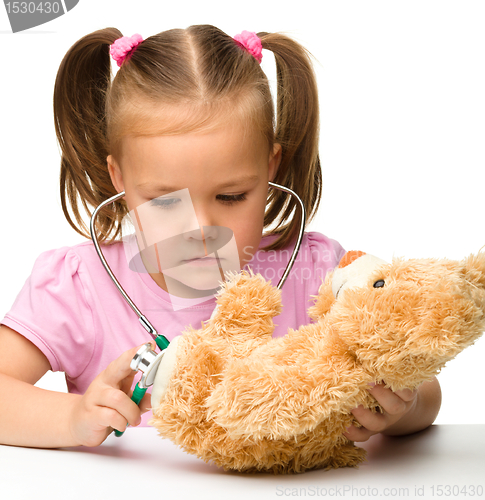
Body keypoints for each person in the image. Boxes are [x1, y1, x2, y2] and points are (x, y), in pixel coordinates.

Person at [0, 25, 441, 450]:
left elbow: (423, 385)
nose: (201, 230)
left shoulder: (318, 274)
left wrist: (407, 405)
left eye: (231, 196)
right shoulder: (78, 285)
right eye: (166, 200)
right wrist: (74, 418)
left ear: (270, 168)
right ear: (120, 178)